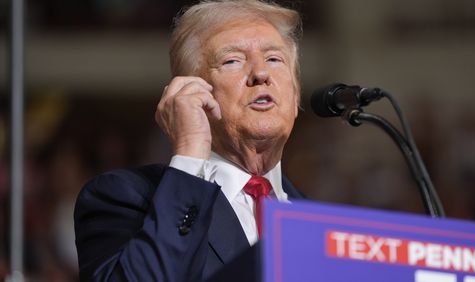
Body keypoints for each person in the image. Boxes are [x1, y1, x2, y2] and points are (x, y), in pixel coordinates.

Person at [74, 0, 304, 281]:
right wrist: (190, 151)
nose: (261, 74)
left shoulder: (320, 225)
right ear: (192, 94)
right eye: (232, 60)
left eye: (274, 59)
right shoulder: (125, 197)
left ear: (296, 98)